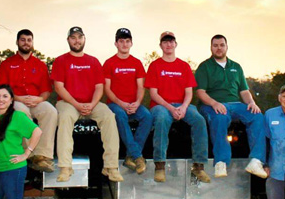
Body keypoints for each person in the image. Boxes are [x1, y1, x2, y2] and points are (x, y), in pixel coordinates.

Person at [53, 27, 124, 182]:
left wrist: (92, 104)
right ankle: (65, 167)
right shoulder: (61, 60)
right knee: (65, 118)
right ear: (68, 40)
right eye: (73, 37)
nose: (77, 40)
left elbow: (100, 87)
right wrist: (76, 104)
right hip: (68, 103)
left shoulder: (93, 61)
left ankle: (111, 167)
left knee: (109, 116)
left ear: (84, 39)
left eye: (79, 37)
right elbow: (59, 87)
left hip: (91, 103)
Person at [195, 34, 267, 179]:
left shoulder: (236, 67)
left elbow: (244, 91)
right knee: (220, 117)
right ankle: (221, 162)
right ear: (211, 48)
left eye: (222, 45)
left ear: (227, 47)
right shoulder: (204, 67)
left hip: (235, 105)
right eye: (215, 45)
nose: (219, 48)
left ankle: (256, 160)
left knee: (258, 116)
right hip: (211, 104)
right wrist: (214, 103)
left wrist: (252, 103)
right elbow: (200, 92)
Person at [146, 31, 211, 183]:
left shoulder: (184, 66)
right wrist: (171, 108)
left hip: (182, 105)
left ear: (176, 44)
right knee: (162, 119)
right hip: (161, 105)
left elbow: (189, 92)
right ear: (160, 45)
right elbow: (154, 94)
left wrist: (183, 107)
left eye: (171, 41)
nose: (168, 44)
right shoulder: (155, 65)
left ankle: (199, 166)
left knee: (199, 120)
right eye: (165, 41)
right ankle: (160, 165)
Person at [0, 29, 57, 173]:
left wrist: (40, 99)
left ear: (32, 43)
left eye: (29, 40)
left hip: (36, 101)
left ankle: (43, 155)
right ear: (17, 42)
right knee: (21, 111)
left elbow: (46, 90)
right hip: (15, 100)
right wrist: (17, 98)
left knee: (50, 111)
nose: (26, 43)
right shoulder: (7, 64)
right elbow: (0, 89)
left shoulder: (39, 64)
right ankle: (30, 154)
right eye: (23, 40)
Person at [102, 28, 153, 174]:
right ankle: (137, 155)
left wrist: (137, 102)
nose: (124, 44)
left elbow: (140, 87)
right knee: (120, 116)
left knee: (148, 116)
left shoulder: (136, 63)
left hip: (134, 104)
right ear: (116, 44)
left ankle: (131, 156)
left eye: (127, 41)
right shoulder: (109, 63)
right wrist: (121, 103)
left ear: (131, 43)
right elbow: (107, 89)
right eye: (121, 41)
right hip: (115, 104)